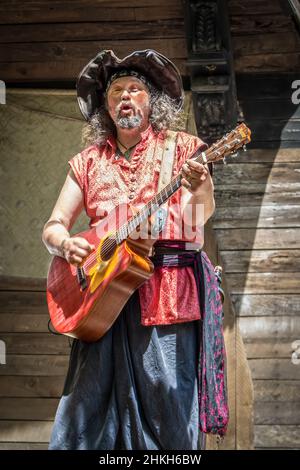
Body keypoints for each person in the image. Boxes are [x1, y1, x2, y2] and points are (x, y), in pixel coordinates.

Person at [42, 49, 228, 450]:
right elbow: (53, 226)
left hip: (166, 293)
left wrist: (200, 186)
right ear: (105, 109)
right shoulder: (88, 161)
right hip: (99, 295)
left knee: (168, 408)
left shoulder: (182, 148)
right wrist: (65, 243)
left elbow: (199, 218)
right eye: (115, 93)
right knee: (87, 411)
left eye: (134, 90)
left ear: (153, 101)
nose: (124, 97)